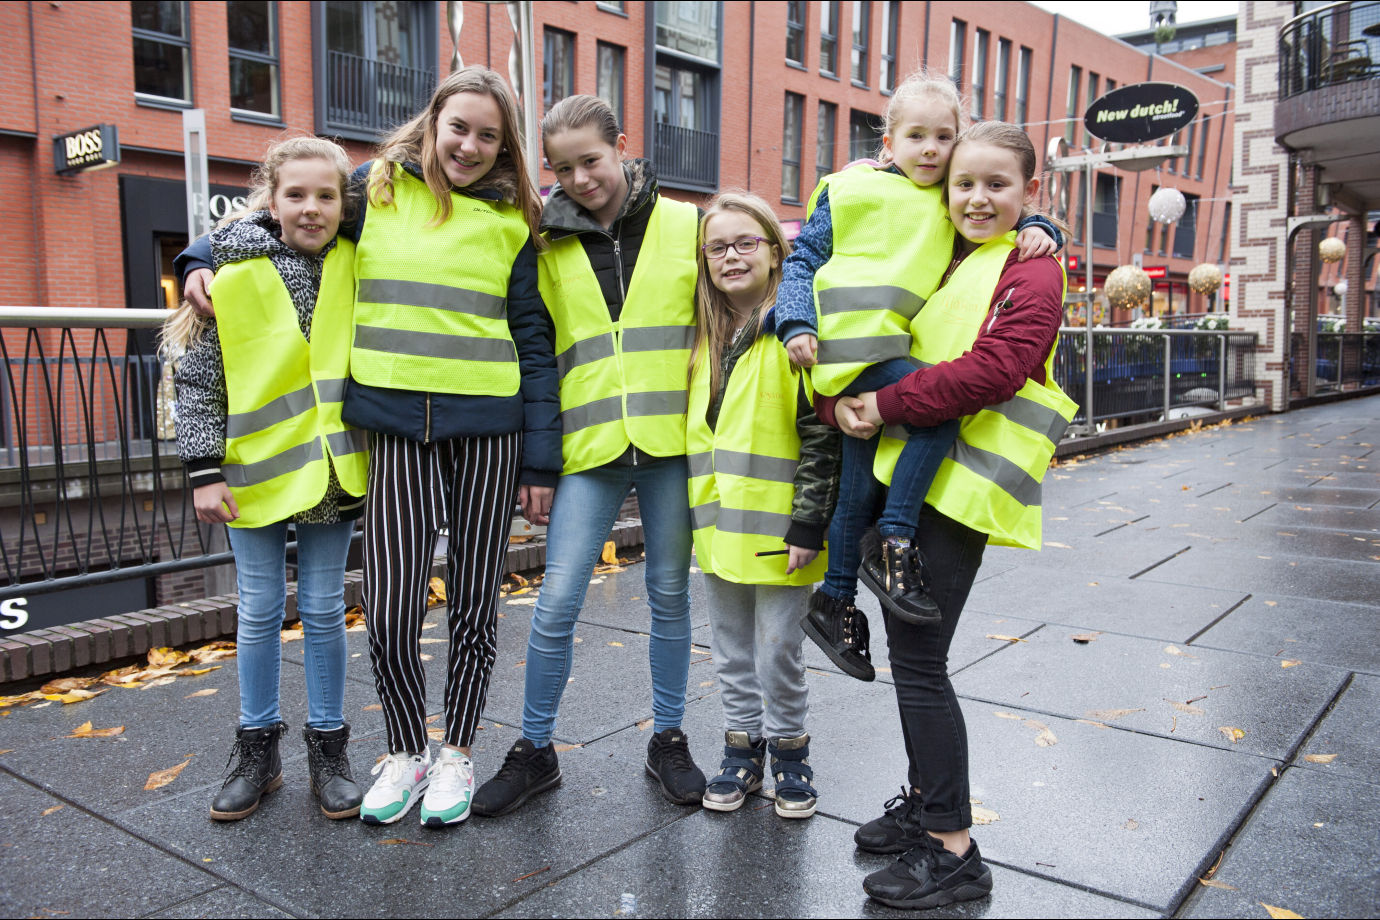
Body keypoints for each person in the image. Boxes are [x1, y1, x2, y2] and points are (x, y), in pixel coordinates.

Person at [178, 67, 561, 829]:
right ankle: (405, 749)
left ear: (506, 144)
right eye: (460, 127)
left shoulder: (519, 216)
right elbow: (285, 209)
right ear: (434, 122)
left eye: (489, 135)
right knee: (387, 609)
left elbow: (535, 340)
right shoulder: (375, 186)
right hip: (391, 427)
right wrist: (196, 259)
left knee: (476, 604)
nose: (471, 145)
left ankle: (455, 753)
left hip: (488, 430)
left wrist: (540, 461)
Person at [818, 120, 1077, 910]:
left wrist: (883, 402)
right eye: (965, 182)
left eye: (998, 185)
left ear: (1030, 192)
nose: (976, 197)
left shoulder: (1033, 273)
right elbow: (870, 336)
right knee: (912, 661)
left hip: (956, 497)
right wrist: (843, 405)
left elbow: (998, 368)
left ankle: (954, 849)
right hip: (908, 480)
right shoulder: (945, 251)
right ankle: (926, 807)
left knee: (923, 665)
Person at [772, 71, 1060, 681]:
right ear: (888, 142)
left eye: (943, 138)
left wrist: (1044, 228)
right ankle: (895, 540)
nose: (930, 149)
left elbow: (996, 210)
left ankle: (835, 600)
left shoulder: (947, 197)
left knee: (855, 484)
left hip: (869, 354)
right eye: (917, 136)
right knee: (936, 405)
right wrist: (796, 320)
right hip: (849, 345)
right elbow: (803, 258)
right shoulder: (852, 188)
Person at [471, 94, 706, 816]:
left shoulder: (689, 224)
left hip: (672, 444)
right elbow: (538, 361)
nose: (579, 179)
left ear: (623, 147)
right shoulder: (544, 244)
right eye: (562, 168)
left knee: (670, 598)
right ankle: (535, 750)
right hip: (591, 447)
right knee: (556, 602)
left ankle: (668, 739)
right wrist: (538, 465)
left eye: (592, 161)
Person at [165, 135, 368, 822]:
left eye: (326, 196)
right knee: (256, 611)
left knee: (322, 609)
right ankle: (257, 750)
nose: (312, 209)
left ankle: (329, 750)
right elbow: (198, 379)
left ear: (345, 203)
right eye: (296, 195)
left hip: (334, 472)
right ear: (270, 201)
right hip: (252, 472)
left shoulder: (359, 263)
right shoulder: (235, 268)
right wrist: (202, 470)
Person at [687, 192, 839, 818]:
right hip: (717, 523)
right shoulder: (703, 337)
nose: (731, 256)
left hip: (783, 530)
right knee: (730, 647)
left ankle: (792, 750)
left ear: (777, 254)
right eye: (718, 246)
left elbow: (820, 435)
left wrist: (809, 520)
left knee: (778, 647)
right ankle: (742, 748)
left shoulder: (795, 330)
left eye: (746, 242)